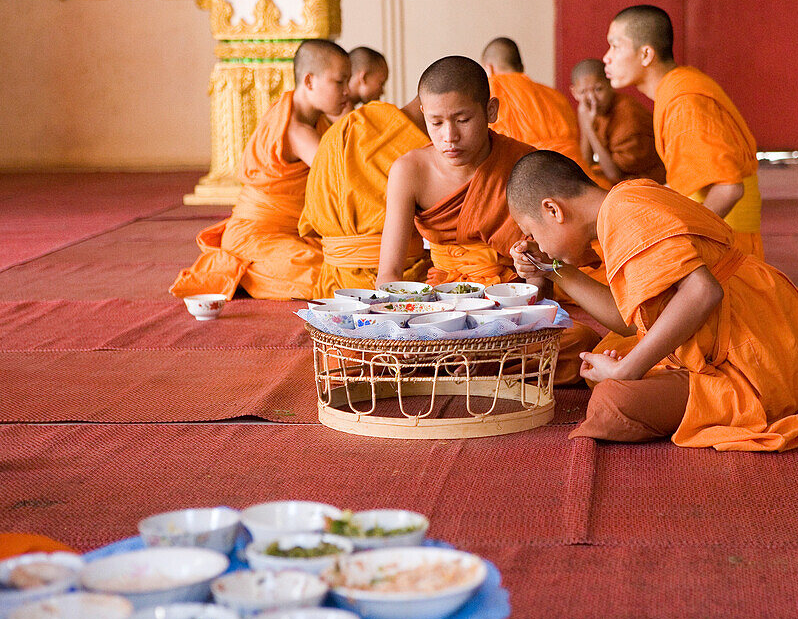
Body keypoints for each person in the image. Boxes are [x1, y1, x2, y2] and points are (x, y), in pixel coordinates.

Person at [506, 151, 798, 450]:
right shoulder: (624, 202)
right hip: (755, 331)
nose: (535, 241)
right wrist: (554, 270)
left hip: (754, 351)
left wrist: (626, 371)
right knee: (612, 348)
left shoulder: (625, 212)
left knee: (612, 403)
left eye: (531, 231)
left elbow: (704, 292)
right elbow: (628, 321)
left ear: (553, 210)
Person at [377, 56, 599, 384]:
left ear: (490, 111)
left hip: (506, 301)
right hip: (441, 302)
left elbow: (539, 275)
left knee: (579, 342)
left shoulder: (522, 164)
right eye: (436, 123)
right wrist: (399, 327)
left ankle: (468, 363)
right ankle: (470, 362)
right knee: (372, 347)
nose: (449, 136)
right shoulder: (410, 171)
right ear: (423, 116)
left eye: (463, 119)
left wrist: (518, 311)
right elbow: (390, 273)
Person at [171, 40, 349, 300]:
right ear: (309, 82)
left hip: (290, 233)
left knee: (350, 259)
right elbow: (344, 177)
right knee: (332, 275)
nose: (347, 91)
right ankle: (248, 270)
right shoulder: (296, 131)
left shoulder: (309, 118)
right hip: (256, 237)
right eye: (339, 82)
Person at [603, 5, 764, 259]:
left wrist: (686, 241)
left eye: (615, 46)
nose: (606, 57)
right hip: (716, 226)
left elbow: (729, 189)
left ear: (646, 54)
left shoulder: (684, 101)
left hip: (725, 242)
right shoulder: (677, 86)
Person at [299, 96, 432, 297]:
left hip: (335, 285)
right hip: (405, 278)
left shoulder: (340, 129)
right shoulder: (423, 149)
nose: (450, 134)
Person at [481, 37, 609, 187]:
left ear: (488, 68)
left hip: (529, 184)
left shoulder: (489, 92)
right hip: (581, 182)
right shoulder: (556, 96)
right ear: (521, 67)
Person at [570, 58, 665, 185]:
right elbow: (586, 164)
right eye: (583, 92)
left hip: (650, 184)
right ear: (574, 92)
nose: (592, 99)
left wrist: (589, 130)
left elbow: (615, 176)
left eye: (598, 89)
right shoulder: (588, 112)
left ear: (610, 84)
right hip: (619, 183)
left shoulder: (628, 114)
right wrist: (586, 126)